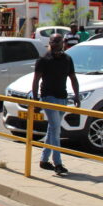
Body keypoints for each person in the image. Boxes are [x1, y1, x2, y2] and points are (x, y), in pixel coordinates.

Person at [32, 33, 79, 176]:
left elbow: (73, 78)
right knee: (56, 129)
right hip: (48, 97)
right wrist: (35, 100)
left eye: (58, 42)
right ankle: (58, 163)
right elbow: (36, 80)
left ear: (62, 43)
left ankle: (44, 160)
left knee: (52, 129)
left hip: (62, 98)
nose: (55, 44)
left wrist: (76, 95)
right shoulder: (43, 59)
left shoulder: (67, 59)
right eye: (53, 42)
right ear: (50, 43)